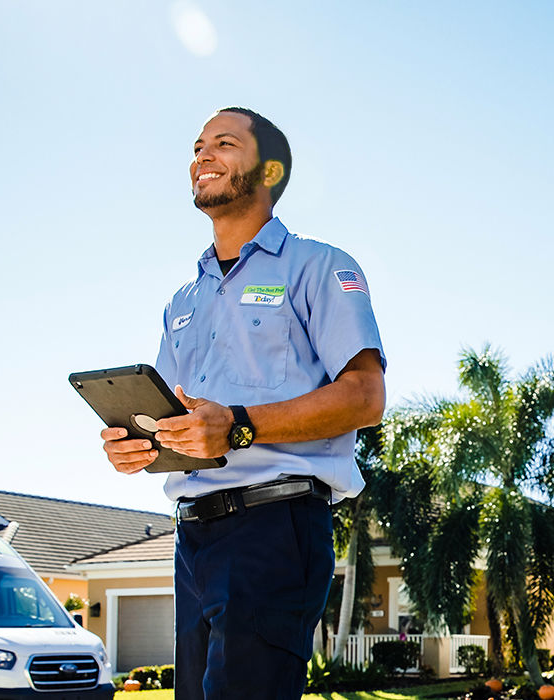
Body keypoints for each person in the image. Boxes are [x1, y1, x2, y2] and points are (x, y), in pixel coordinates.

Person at [100, 106, 385, 700]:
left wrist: (238, 428)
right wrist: (141, 445)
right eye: (198, 145)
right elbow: (183, 420)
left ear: (269, 171)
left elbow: (365, 396)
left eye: (223, 144)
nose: (201, 155)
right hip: (192, 540)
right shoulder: (183, 298)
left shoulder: (320, 266)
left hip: (275, 528)